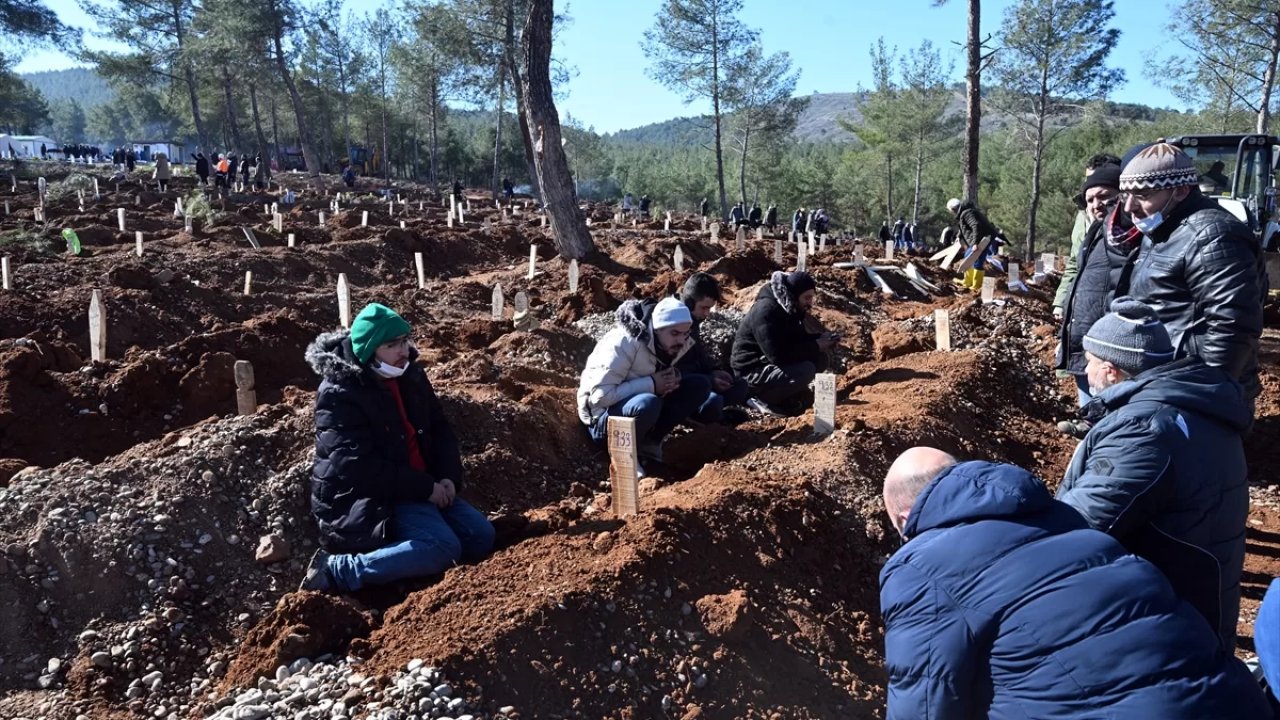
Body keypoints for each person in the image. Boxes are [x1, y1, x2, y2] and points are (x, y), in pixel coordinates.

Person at [880, 447, 1270, 720]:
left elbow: (924, 700)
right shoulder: (1068, 524)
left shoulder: (920, 566)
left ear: (903, 517)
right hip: (1235, 702)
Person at [1056, 298, 1251, 650]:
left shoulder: (1143, 429)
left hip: (1162, 622)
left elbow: (1077, 528)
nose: (1085, 372)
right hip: (1194, 602)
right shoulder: (1194, 403)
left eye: (1089, 362)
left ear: (1111, 370)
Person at [300, 303, 495, 594]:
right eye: (392, 344)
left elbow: (440, 429)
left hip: (418, 484)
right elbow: (356, 466)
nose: (404, 350)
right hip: (366, 497)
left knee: (481, 536)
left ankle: (412, 566)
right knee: (443, 546)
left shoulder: (409, 375)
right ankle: (339, 570)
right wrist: (424, 488)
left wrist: (447, 478)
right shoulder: (340, 392)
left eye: (405, 341)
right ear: (369, 350)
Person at [1121, 142, 1265, 408]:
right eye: (1125, 194)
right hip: (1163, 382)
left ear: (1181, 190)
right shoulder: (1162, 230)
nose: (1129, 207)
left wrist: (1204, 395)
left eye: (1141, 195)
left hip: (1193, 391)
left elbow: (1231, 326)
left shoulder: (1214, 235)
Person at [577, 297, 719, 473]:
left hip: (637, 406)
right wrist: (652, 383)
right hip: (601, 420)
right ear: (657, 329)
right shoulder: (624, 342)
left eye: (685, 334)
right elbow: (600, 397)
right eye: (674, 334)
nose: (681, 341)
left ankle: (650, 444)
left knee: (699, 385)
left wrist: (671, 378)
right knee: (648, 403)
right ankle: (624, 456)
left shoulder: (672, 343)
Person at [1054, 162, 1132, 416]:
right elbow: (1077, 274)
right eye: (1090, 199)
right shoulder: (1096, 233)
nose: (1096, 204)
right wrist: (1063, 308)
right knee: (1091, 411)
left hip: (1108, 345)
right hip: (1085, 339)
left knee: (1112, 415)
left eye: (1104, 196)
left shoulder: (1125, 234)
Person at [731, 271, 838, 417]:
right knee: (805, 370)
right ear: (794, 295)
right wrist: (816, 345)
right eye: (806, 298)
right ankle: (759, 398)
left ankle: (785, 395)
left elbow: (797, 339)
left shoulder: (790, 308)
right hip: (751, 371)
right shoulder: (766, 311)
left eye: (811, 297)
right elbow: (778, 355)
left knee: (820, 358)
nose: (810, 303)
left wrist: (821, 338)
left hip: (770, 362)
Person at [1055, 153, 1122, 319]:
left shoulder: (1131, 228)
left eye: (1104, 195)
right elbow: (1074, 262)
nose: (1096, 203)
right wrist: (1062, 300)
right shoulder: (1083, 215)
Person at [676, 273, 750, 415]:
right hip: (680, 386)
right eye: (704, 308)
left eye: (709, 308)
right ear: (689, 302)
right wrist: (710, 380)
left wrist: (714, 371)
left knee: (740, 385)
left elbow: (698, 355)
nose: (706, 314)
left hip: (699, 380)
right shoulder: (674, 327)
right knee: (714, 402)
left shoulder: (693, 322)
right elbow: (673, 372)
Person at [947, 197, 1002, 289]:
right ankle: (967, 281)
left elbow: (975, 225)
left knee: (977, 260)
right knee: (968, 256)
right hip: (981, 238)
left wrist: (975, 243)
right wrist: (959, 237)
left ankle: (976, 285)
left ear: (954, 209)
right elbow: (965, 227)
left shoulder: (967, 213)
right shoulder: (964, 213)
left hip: (984, 239)